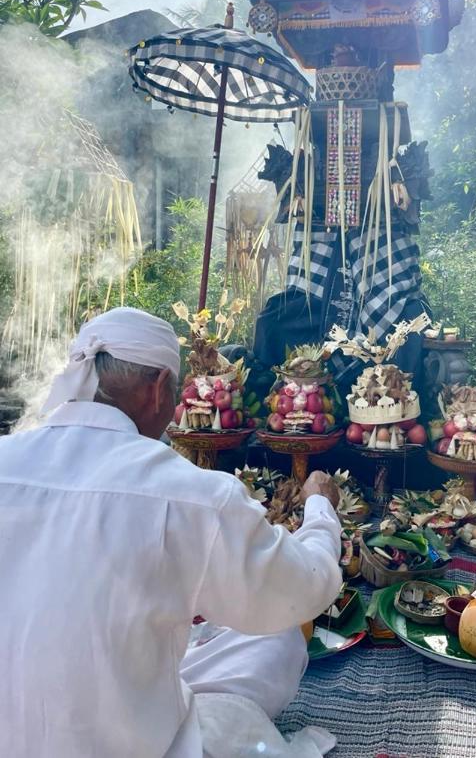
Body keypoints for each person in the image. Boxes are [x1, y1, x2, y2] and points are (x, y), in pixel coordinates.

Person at [0, 307, 343, 757]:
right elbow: (307, 587)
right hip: (135, 746)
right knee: (275, 635)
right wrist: (320, 508)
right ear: (159, 388)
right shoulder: (192, 494)